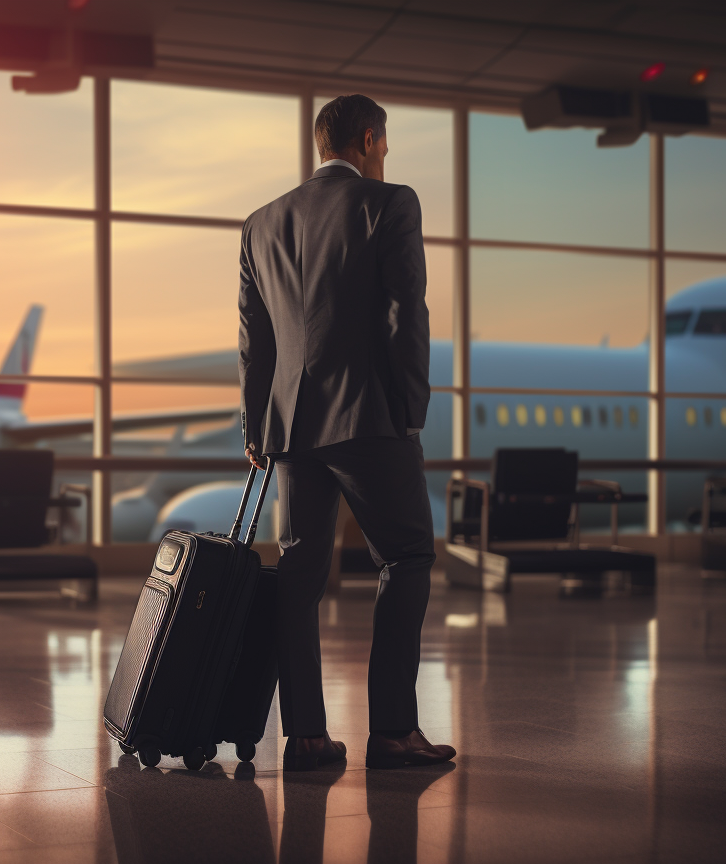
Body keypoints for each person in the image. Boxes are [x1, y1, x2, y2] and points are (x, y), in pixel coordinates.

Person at [238, 94, 456, 771]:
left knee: (300, 578)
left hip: (293, 431)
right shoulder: (389, 206)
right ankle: (392, 729)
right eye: (383, 148)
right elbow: (404, 316)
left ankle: (305, 736)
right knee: (409, 556)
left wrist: (258, 426)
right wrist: (410, 409)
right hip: (369, 419)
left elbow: (256, 341)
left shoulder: (262, 223)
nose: (385, 159)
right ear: (369, 139)